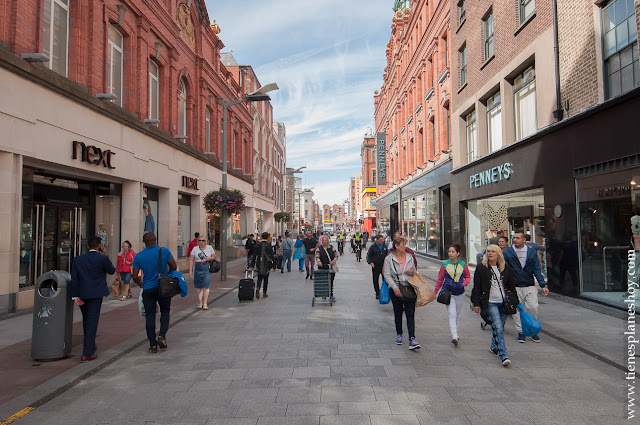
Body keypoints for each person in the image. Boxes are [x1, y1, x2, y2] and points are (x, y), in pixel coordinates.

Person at [70, 236, 116, 362]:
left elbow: (74, 278)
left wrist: (74, 296)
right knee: (92, 321)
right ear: (99, 246)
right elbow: (112, 271)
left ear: (87, 246)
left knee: (86, 320)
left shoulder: (78, 259)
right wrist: (105, 255)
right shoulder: (103, 258)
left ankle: (90, 344)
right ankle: (87, 352)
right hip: (95, 294)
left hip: (83, 294)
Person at [472, 244, 517, 367]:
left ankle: (493, 346)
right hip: (490, 302)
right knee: (498, 327)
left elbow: (511, 285)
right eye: (488, 251)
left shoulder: (504, 267)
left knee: (499, 327)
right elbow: (477, 287)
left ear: (498, 254)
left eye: (493, 251)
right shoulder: (482, 268)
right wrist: (476, 303)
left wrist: (515, 302)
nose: (490, 253)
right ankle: (504, 354)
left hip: (504, 302)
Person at [132, 232, 177, 353]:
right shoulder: (164, 251)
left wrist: (140, 283)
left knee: (150, 315)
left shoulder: (139, 256)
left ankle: (152, 344)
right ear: (155, 240)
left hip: (148, 288)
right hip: (163, 287)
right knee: (165, 311)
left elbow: (135, 276)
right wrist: (167, 275)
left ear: (144, 242)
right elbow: (174, 265)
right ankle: (162, 335)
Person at [503, 230, 548, 343]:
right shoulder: (508, 252)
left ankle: (533, 330)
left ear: (524, 239)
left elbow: (537, 269)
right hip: (515, 286)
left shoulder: (531, 252)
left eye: (518, 238)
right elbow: (504, 269)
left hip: (529, 284)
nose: (515, 240)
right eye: (514, 238)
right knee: (517, 310)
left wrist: (543, 285)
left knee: (533, 307)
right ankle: (521, 332)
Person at [383, 237, 420, 350]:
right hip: (396, 288)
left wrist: (413, 272)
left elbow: (415, 271)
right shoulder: (389, 259)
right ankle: (399, 334)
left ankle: (412, 338)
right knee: (398, 312)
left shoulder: (409, 257)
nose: (405, 247)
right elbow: (387, 275)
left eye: (405, 244)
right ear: (396, 246)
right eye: (403, 245)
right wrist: (394, 288)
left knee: (410, 313)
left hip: (409, 288)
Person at [434, 243, 471, 346]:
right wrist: (435, 291)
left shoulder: (463, 265)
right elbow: (440, 279)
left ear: (458, 253)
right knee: (452, 314)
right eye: (449, 251)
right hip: (448, 293)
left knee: (457, 314)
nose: (450, 253)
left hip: (460, 293)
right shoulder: (445, 264)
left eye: (453, 252)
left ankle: (455, 332)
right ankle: (454, 335)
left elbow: (468, 276)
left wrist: (463, 284)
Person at [189, 235, 216, 309]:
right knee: (198, 286)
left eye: (203, 240)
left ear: (206, 241)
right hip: (198, 266)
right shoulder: (195, 249)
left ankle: (205, 303)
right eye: (199, 240)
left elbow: (214, 256)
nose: (201, 242)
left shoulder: (209, 248)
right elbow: (191, 260)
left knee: (206, 285)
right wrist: (190, 271)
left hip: (206, 266)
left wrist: (209, 258)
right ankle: (200, 302)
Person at [250, 232, 275, 299]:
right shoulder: (269, 246)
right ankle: (264, 293)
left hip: (259, 262)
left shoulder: (258, 245)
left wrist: (252, 266)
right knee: (266, 278)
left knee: (259, 276)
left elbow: (254, 256)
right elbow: (272, 256)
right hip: (267, 264)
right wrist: (274, 266)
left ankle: (258, 287)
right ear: (267, 237)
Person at [316, 235, 338, 301]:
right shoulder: (319, 248)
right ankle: (324, 294)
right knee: (323, 281)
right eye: (323, 240)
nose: (324, 242)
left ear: (328, 241)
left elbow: (336, 255)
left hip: (331, 267)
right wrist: (319, 262)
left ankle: (331, 294)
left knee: (331, 281)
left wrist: (334, 261)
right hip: (322, 267)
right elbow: (317, 257)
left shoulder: (332, 248)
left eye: (326, 240)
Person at [366, 235, 388, 299]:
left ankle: (385, 292)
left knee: (386, 279)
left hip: (384, 266)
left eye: (382, 240)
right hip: (376, 266)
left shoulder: (385, 246)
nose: (382, 241)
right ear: (377, 240)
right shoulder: (373, 247)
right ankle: (377, 293)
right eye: (380, 240)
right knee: (375, 280)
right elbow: (369, 255)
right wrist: (370, 262)